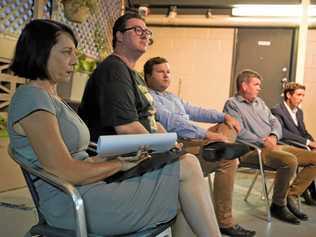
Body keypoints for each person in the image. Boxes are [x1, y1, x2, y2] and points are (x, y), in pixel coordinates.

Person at [78, 13, 221, 236]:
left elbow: (152, 121)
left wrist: (170, 143)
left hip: (139, 151)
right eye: (137, 29)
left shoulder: (133, 76)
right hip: (118, 159)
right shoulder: (113, 69)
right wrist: (166, 146)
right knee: (190, 165)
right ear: (119, 36)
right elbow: (126, 129)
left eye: (147, 32)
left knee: (186, 181)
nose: (145, 34)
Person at [144, 57, 255, 237]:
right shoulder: (149, 98)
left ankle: (220, 147)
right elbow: (171, 122)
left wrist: (224, 116)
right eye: (160, 72)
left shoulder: (172, 97)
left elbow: (197, 110)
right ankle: (225, 222)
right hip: (178, 143)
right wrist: (206, 134)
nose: (166, 75)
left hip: (195, 141)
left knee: (227, 125)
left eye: (168, 72)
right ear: (148, 76)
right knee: (229, 161)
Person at [224, 69, 316, 225]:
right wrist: (262, 141)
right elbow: (239, 132)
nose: (260, 88)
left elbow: (275, 123)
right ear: (244, 86)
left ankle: (291, 195)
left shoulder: (260, 102)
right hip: (253, 150)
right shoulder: (232, 104)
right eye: (256, 84)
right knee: (290, 161)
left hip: (275, 144)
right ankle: (278, 205)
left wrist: (273, 135)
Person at [271, 82, 316, 205]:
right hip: (285, 145)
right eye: (299, 95)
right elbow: (282, 132)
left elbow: (303, 131)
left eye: (303, 96)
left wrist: (312, 141)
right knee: (311, 154)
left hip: (300, 145)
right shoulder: (277, 110)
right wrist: (307, 143)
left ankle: (306, 190)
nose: (301, 99)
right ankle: (304, 191)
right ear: (288, 95)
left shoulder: (299, 112)